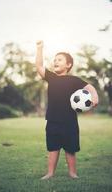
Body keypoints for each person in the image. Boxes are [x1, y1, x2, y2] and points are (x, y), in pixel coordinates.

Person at [35, 40, 99, 180]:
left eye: (59, 59)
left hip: (70, 121)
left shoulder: (74, 80)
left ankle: (72, 173)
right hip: (52, 120)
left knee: (70, 149)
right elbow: (39, 66)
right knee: (53, 148)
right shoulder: (51, 78)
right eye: (54, 60)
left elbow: (89, 87)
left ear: (68, 65)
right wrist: (39, 48)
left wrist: (94, 96)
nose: (55, 61)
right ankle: (50, 173)